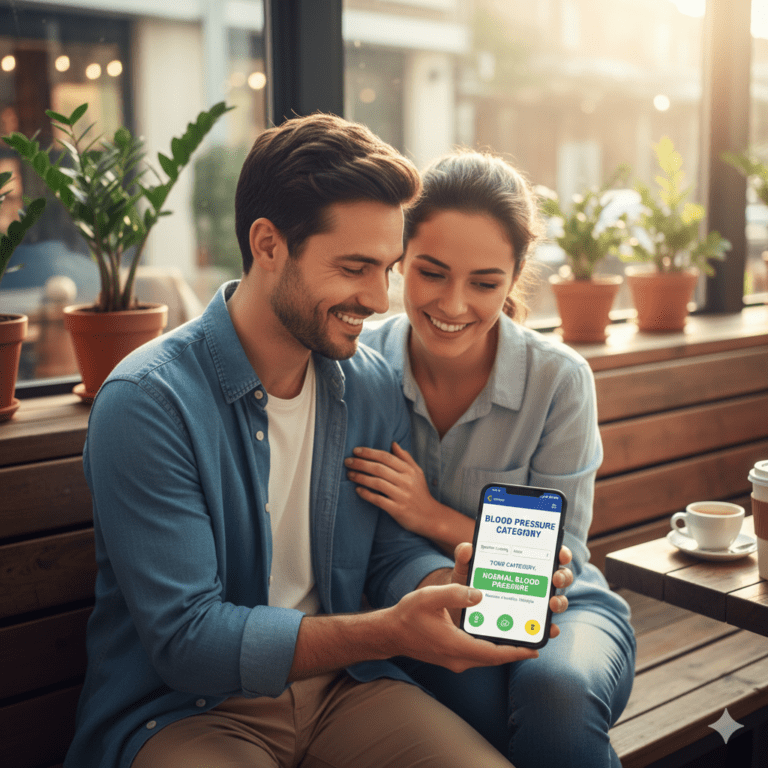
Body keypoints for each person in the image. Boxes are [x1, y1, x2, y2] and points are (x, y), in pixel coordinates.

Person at [64, 115, 574, 768]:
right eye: (356, 267)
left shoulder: (370, 385)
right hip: (186, 712)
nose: (380, 298)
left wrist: (451, 584)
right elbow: (189, 640)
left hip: (345, 690)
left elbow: (387, 555)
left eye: (388, 269)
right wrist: (387, 632)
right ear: (268, 244)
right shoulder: (149, 403)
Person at [347, 150, 637, 768]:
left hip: (562, 608)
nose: (454, 305)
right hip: (421, 603)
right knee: (479, 697)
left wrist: (428, 514)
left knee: (556, 694)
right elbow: (361, 544)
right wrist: (447, 580)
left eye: (484, 283)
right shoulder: (359, 367)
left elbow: (557, 558)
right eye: (432, 273)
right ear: (399, 259)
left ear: (514, 278)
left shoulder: (558, 380)